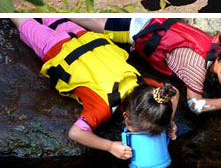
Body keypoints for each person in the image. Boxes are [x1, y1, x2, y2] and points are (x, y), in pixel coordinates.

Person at [10, 18, 179, 160]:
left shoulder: (145, 86)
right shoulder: (102, 106)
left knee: (52, 17)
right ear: (125, 116)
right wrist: (110, 146)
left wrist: (167, 120)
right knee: (23, 22)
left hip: (84, 37)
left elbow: (174, 91)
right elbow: (75, 133)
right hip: (53, 47)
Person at [68, 18, 221, 116]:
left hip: (151, 23)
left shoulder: (215, 48)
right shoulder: (196, 68)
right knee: (85, 19)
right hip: (133, 30)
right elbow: (195, 105)